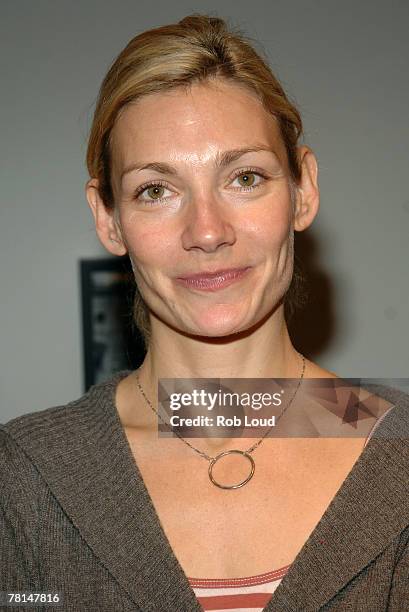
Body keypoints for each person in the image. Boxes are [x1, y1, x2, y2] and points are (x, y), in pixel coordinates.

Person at [1, 13, 409, 612]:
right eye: (155, 190)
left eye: (244, 177)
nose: (207, 231)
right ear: (108, 217)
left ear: (304, 189)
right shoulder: (25, 476)